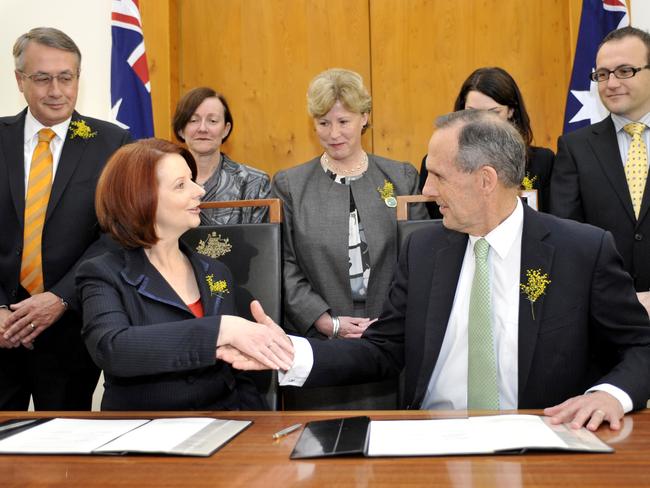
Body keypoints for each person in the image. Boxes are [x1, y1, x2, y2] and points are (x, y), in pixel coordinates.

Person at [223, 109, 650, 430]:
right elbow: (382, 350)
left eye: (438, 176)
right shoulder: (424, 250)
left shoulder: (582, 251)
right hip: (432, 442)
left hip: (543, 441)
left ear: (485, 180)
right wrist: (289, 353)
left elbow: (641, 347)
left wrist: (611, 395)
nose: (426, 190)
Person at [75, 139, 292, 411]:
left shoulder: (216, 271)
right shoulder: (102, 273)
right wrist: (221, 330)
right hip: (143, 434)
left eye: (193, 180)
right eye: (181, 185)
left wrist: (256, 428)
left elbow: (238, 371)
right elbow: (113, 348)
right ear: (140, 199)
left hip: (222, 427)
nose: (199, 191)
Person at [271, 68, 428, 409]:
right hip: (320, 347)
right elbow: (283, 264)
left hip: (390, 344)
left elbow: (419, 259)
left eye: (343, 121)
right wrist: (325, 321)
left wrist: (389, 322)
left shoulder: (400, 178)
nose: (334, 133)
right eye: (323, 123)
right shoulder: (290, 185)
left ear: (364, 117)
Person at [0, 27, 131, 410]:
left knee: (65, 455)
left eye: (66, 77)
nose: (55, 90)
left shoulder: (112, 143)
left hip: (69, 326)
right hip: (1, 327)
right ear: (20, 80)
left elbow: (116, 233)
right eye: (42, 78)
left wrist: (59, 297)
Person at [551, 26, 650, 315]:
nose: (610, 83)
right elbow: (565, 234)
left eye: (624, 71)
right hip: (604, 314)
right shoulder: (574, 148)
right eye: (602, 74)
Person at [420, 67, 553, 216]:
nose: (481, 123)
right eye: (472, 113)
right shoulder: (437, 164)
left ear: (511, 111)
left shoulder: (542, 161)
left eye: (493, 113)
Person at [172, 87, 271, 224]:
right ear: (181, 129)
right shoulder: (162, 182)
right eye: (193, 120)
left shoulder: (254, 183)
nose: (202, 129)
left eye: (212, 121)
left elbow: (260, 242)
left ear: (226, 129)